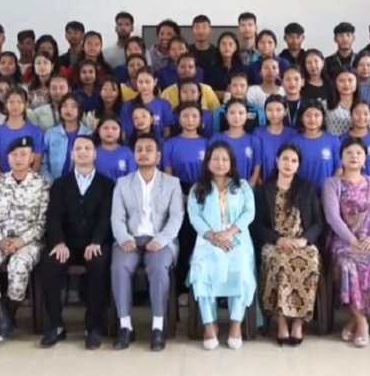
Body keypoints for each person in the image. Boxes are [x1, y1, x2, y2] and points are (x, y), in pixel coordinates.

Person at [36, 136, 114, 349]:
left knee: (99, 264)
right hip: (67, 244)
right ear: (72, 154)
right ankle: (56, 325)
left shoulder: (107, 184)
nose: (83, 152)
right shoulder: (60, 184)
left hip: (95, 243)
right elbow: (53, 217)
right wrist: (59, 243)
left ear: (95, 154)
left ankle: (93, 327)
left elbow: (106, 218)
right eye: (78, 148)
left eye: (87, 148)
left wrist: (96, 241)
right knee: (50, 264)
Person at [110, 134, 184, 351]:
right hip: (130, 239)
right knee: (119, 267)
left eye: (149, 149)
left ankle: (158, 327)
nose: (143, 153)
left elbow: (176, 217)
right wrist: (124, 238)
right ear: (134, 154)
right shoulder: (123, 183)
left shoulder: (172, 183)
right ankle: (125, 326)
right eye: (139, 149)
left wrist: (160, 240)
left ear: (158, 156)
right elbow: (117, 218)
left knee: (159, 268)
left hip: (160, 241)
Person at [0, 136, 49, 345]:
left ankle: (7, 316)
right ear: (7, 158)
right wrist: (0, 240)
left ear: (32, 158)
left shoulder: (42, 184)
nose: (18, 158)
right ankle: (2, 319)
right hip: (0, 240)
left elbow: (42, 222)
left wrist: (21, 241)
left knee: (19, 265)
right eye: (14, 154)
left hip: (29, 242)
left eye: (23, 154)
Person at [322, 139, 370, 347]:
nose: (354, 156)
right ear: (341, 158)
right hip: (345, 240)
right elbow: (332, 217)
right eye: (349, 153)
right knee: (348, 263)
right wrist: (352, 240)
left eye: (358, 153)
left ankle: (355, 320)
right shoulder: (332, 184)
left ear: (365, 159)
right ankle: (362, 321)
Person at [187, 143, 257, 350]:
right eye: (215, 159)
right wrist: (214, 237)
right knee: (202, 273)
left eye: (224, 159)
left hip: (237, 238)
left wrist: (230, 232)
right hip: (208, 240)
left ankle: (236, 323)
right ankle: (209, 325)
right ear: (208, 162)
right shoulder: (197, 188)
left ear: (231, 163)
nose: (220, 163)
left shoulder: (242, 186)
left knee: (241, 269)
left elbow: (249, 213)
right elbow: (194, 217)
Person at [253, 145, 322, 346]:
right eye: (285, 159)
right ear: (277, 161)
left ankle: (298, 323)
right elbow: (257, 225)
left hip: (302, 243)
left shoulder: (307, 188)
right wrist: (278, 240)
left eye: (293, 161)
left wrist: (304, 240)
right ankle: (281, 321)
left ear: (298, 165)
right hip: (275, 243)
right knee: (280, 262)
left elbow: (318, 223)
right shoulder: (264, 190)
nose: (288, 164)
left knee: (310, 260)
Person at [0, 88, 45, 175]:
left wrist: (26, 181)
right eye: (11, 102)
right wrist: (5, 181)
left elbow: (37, 163)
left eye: (19, 102)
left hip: (29, 182)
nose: (15, 106)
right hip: (2, 181)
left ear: (26, 104)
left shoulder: (36, 132)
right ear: (5, 104)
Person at [290, 100, 342, 191]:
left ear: (323, 118)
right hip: (301, 192)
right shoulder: (294, 142)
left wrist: (331, 189)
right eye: (308, 115)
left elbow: (339, 168)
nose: (312, 119)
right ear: (301, 118)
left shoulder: (333, 141)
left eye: (317, 115)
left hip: (327, 192)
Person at [209, 99, 263, 184]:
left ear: (246, 116)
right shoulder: (216, 139)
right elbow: (209, 164)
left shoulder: (254, 141)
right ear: (226, 116)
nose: (236, 117)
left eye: (241, 113)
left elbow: (257, 167)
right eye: (232, 113)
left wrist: (249, 187)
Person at [42, 93, 92, 181]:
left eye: (73, 107)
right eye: (64, 106)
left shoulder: (88, 134)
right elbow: (43, 163)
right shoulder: (50, 133)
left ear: (80, 110)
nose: (68, 110)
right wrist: (50, 182)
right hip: (53, 182)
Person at [163, 103, 210, 189]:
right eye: (185, 116)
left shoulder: (208, 144)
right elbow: (168, 174)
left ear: (200, 120)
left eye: (194, 116)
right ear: (179, 119)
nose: (190, 120)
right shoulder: (169, 144)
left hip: (203, 189)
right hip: (178, 189)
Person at [121, 68, 174, 140]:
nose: (144, 86)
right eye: (140, 82)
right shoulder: (128, 106)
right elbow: (125, 133)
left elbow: (167, 132)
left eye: (147, 82)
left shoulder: (164, 104)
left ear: (155, 82)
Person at [254, 95, 297, 181]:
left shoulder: (293, 134)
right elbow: (256, 160)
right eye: (270, 110)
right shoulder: (258, 133)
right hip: (263, 183)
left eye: (278, 110)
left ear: (285, 111)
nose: (274, 114)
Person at [94, 116, 137, 183]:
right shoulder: (92, 152)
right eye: (105, 128)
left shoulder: (127, 153)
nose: (110, 131)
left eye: (114, 128)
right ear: (98, 130)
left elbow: (132, 178)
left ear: (120, 131)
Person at [208, 32, 247, 100]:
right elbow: (206, 91)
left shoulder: (244, 69)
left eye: (230, 44)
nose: (227, 47)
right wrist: (225, 94)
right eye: (223, 44)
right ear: (218, 47)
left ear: (236, 47)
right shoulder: (210, 69)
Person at [326, 70, 358, 136]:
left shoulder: (364, 106)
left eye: (350, 80)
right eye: (341, 81)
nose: (346, 84)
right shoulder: (326, 104)